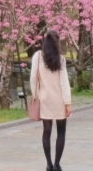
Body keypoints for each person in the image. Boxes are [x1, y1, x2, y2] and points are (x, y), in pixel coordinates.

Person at [31, 30, 72, 171]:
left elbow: (33, 78)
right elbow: (64, 82)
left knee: (46, 131)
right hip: (59, 99)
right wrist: (67, 102)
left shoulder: (37, 57)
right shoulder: (60, 59)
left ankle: (48, 164)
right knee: (61, 131)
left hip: (44, 98)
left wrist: (35, 94)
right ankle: (57, 164)